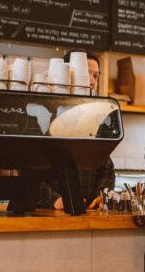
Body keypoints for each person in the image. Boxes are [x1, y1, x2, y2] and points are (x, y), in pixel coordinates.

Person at [40, 50, 115, 210]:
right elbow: (30, 168)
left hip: (86, 212)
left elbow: (106, 168)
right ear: (67, 74)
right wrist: (55, 199)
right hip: (49, 212)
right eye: (86, 73)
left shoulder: (96, 118)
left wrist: (100, 196)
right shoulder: (45, 115)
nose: (93, 81)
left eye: (96, 76)